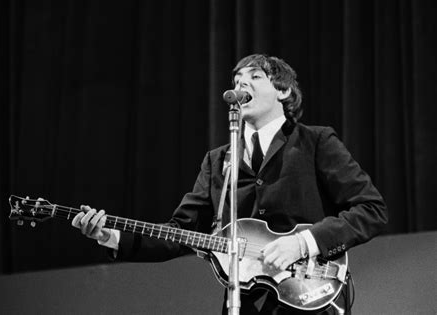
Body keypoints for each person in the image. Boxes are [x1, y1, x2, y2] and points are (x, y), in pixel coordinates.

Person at [72, 54, 388, 314]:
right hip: (244, 302)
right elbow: (180, 232)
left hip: (310, 295)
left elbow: (370, 208)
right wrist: (112, 235)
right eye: (237, 80)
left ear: (283, 92)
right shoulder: (217, 160)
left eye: (255, 77)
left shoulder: (315, 141)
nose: (241, 84)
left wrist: (304, 243)